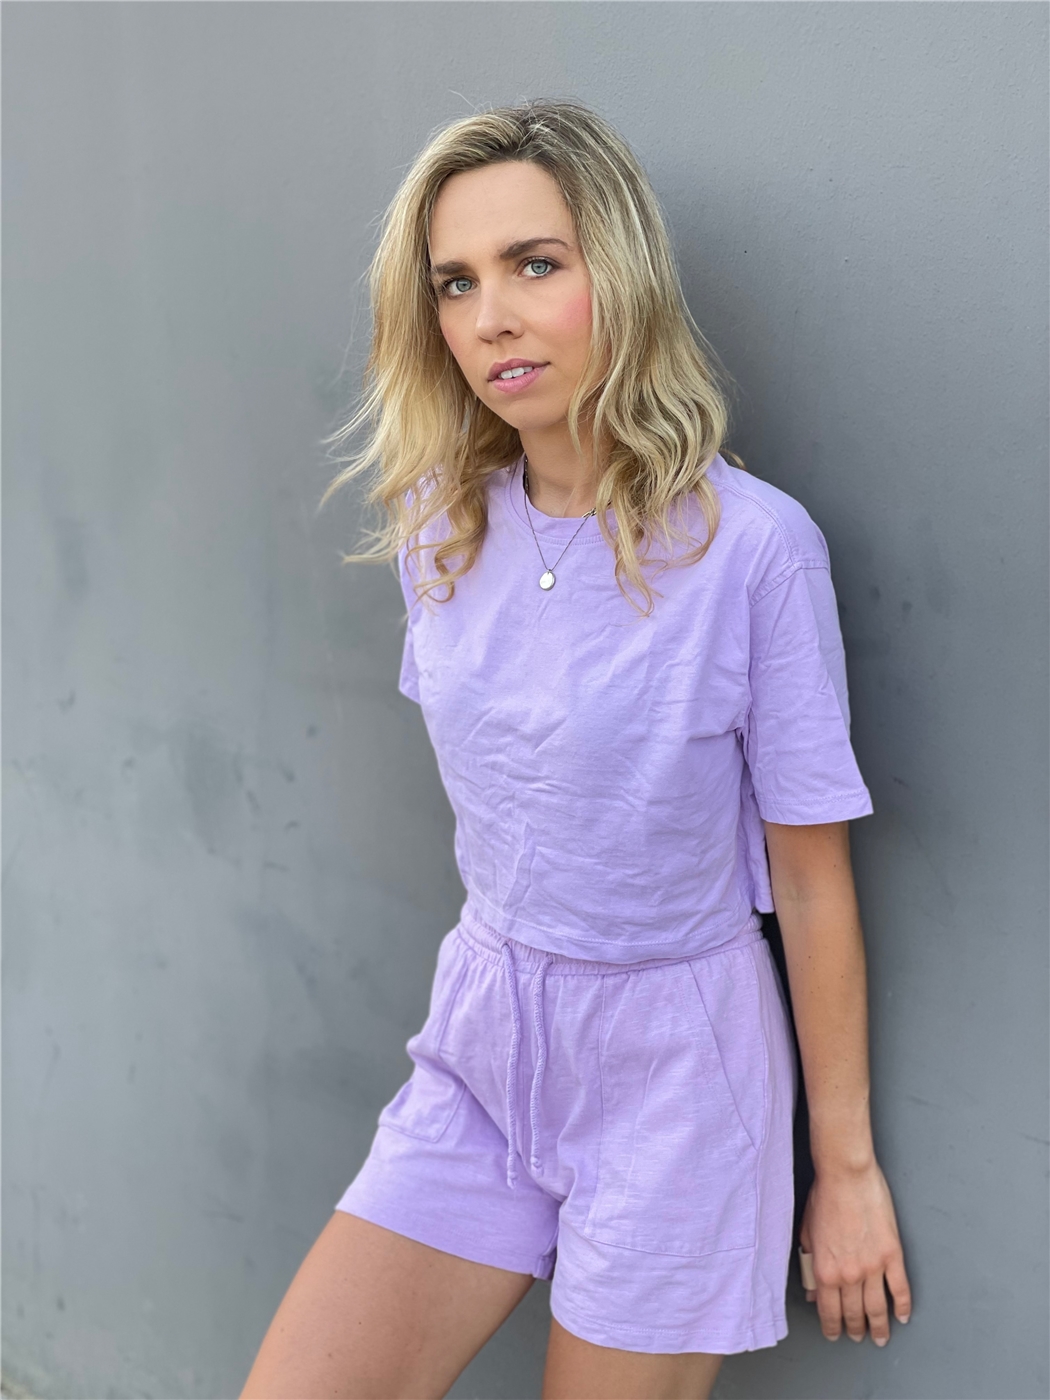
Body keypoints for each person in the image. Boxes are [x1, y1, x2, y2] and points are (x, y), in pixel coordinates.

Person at [240, 98, 912, 1400]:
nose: (490, 316)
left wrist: (845, 1172)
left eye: (534, 264)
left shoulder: (754, 551)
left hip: (676, 1074)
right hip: (482, 1041)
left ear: (621, 274)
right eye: (455, 283)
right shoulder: (440, 528)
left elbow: (811, 880)